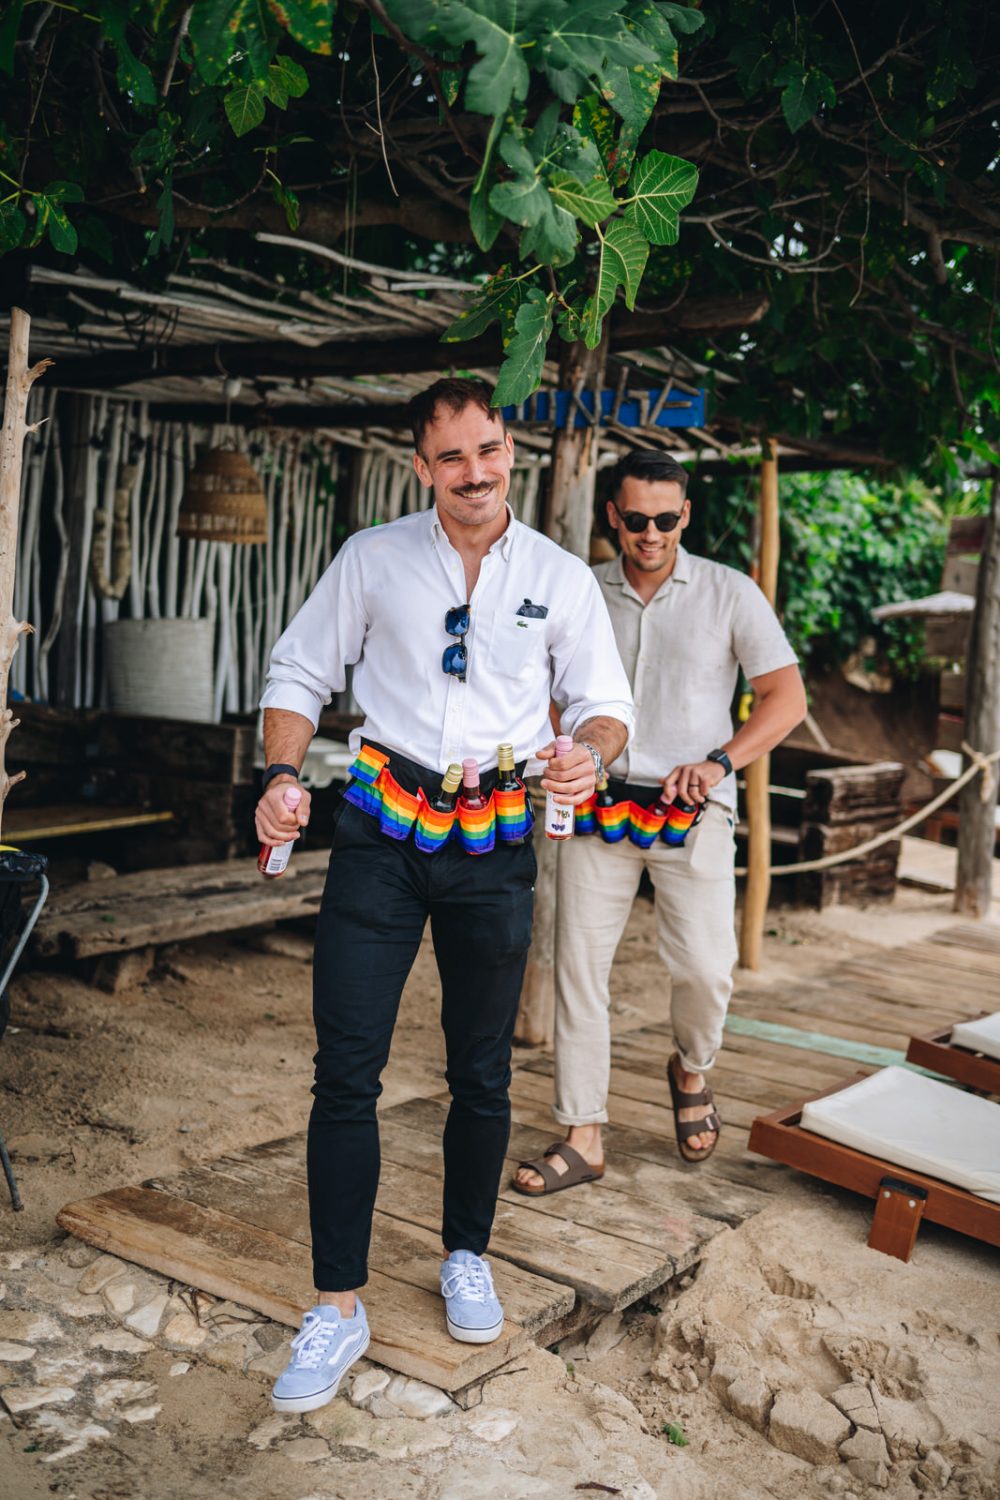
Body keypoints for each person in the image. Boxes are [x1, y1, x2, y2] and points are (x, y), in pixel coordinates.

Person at [255, 377, 633, 1413]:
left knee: (481, 1072)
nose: (477, 473)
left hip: (495, 837)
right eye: (453, 456)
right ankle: (336, 1307)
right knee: (347, 1071)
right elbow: (296, 675)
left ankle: (466, 1251)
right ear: (421, 467)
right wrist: (282, 778)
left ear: (509, 450)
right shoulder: (371, 561)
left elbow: (603, 706)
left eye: (491, 449)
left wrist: (590, 757)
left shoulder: (557, 577)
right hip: (380, 823)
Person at [513, 449, 806, 1196]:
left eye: (666, 520)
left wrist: (719, 762)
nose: (651, 534)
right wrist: (564, 747)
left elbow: (785, 699)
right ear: (614, 515)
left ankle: (691, 1066)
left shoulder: (730, 593)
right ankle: (584, 1133)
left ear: (686, 515)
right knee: (579, 965)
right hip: (598, 801)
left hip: (693, 805)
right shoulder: (578, 590)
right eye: (636, 519)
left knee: (707, 969)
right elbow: (536, 678)